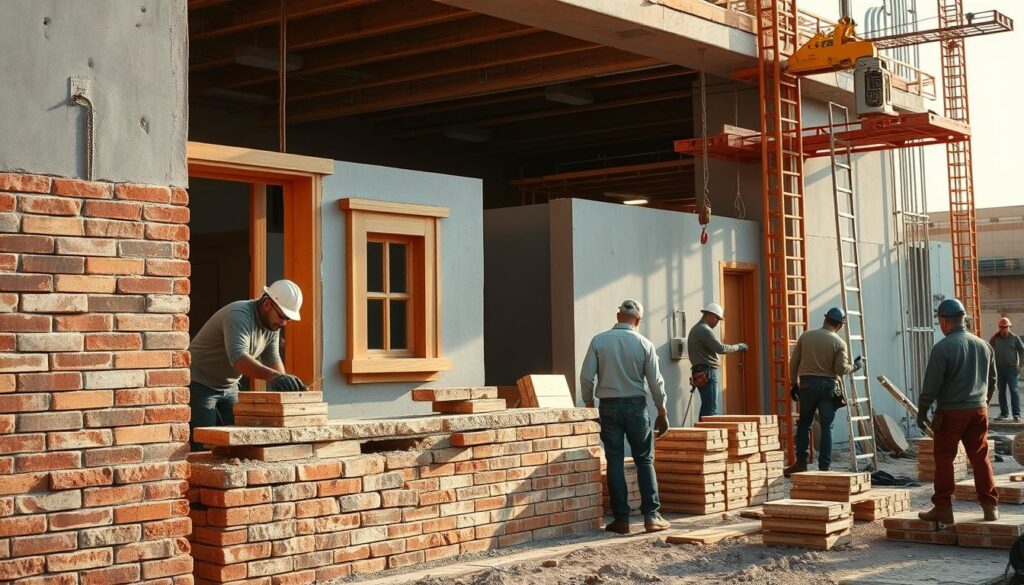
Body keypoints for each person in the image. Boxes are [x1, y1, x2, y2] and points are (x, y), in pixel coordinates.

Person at [581, 299, 671, 535]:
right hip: (636, 407)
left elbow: (586, 377)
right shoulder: (644, 344)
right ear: (638, 320)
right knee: (644, 459)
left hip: (608, 407)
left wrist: (589, 403)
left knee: (614, 460)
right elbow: (655, 382)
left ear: (618, 316)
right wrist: (662, 410)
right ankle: (652, 516)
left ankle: (621, 520)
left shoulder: (599, 341)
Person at [188, 279, 307, 448]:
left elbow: (272, 357)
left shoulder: (272, 326)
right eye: (282, 316)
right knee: (203, 444)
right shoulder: (238, 315)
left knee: (236, 443)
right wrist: (275, 377)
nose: (283, 323)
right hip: (200, 383)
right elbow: (238, 358)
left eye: (287, 319)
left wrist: (287, 385)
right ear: (267, 303)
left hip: (229, 387)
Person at [917, 298, 999, 523]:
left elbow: (931, 386)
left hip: (951, 412)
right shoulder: (984, 345)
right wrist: (982, 402)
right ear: (963, 318)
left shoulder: (942, 348)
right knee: (980, 458)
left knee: (944, 458)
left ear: (944, 321)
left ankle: (943, 508)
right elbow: (992, 380)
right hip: (979, 410)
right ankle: (990, 506)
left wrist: (922, 411)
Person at [783, 307, 864, 477]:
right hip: (828, 387)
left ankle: (801, 464)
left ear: (825, 319)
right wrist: (856, 366)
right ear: (840, 326)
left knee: (804, 423)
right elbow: (840, 369)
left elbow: (794, 361)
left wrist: (793, 383)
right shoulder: (839, 343)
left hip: (806, 385)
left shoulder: (806, 336)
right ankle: (824, 469)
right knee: (826, 427)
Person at [686, 302, 748, 419]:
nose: (717, 322)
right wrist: (738, 347)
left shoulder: (696, 329)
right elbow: (721, 348)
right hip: (707, 372)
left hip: (700, 371)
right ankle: (707, 435)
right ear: (710, 315)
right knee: (710, 411)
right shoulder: (704, 330)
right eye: (717, 319)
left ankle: (703, 434)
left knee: (707, 407)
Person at [989, 317, 1024, 422]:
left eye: (1005, 327)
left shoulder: (1015, 338)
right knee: (1001, 392)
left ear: (1009, 327)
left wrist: (1020, 366)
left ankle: (1016, 414)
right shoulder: (995, 338)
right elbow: (988, 351)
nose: (1003, 329)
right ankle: (1004, 413)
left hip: (1012, 370)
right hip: (999, 370)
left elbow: (1022, 351)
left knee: (1014, 391)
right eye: (1001, 327)